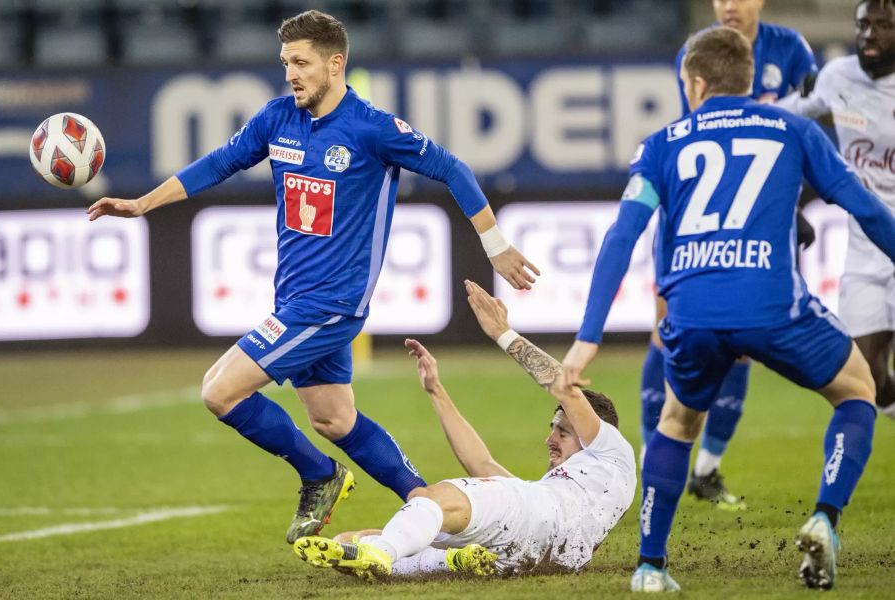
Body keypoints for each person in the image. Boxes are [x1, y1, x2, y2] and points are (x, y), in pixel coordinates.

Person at [86, 10, 539, 544]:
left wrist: (496, 245)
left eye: (301, 63)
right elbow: (219, 163)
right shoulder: (277, 119)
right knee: (333, 419)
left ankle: (320, 475)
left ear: (335, 63)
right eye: (285, 63)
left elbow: (453, 169)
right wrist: (143, 203)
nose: (291, 74)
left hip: (330, 305)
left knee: (219, 391)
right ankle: (429, 505)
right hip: (295, 300)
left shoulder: (372, 128)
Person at [561, 27, 895, 592]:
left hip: (690, 311)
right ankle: (825, 518)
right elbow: (862, 204)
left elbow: (624, 233)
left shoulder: (662, 143)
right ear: (749, 80)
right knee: (858, 390)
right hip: (772, 304)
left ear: (695, 83)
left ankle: (650, 567)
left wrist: (588, 335)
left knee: (677, 422)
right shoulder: (793, 128)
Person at [292, 280, 636, 578]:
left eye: (562, 431)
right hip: (538, 556)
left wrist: (503, 333)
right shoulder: (570, 489)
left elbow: (564, 386)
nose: (549, 439)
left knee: (431, 500)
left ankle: (384, 553)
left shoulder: (611, 449)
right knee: (352, 540)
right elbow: (483, 466)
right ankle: (444, 559)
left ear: (594, 427)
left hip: (537, 526)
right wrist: (436, 392)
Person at [638, 0, 821, 508]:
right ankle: (648, 455)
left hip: (760, 214)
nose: (728, 5)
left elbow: (811, 124)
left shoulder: (791, 50)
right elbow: (702, 132)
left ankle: (706, 470)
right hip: (701, 208)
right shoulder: (701, 51)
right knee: (666, 324)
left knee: (741, 342)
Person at [777, 0, 895, 419]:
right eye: (864, 24)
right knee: (869, 382)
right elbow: (783, 118)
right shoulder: (836, 76)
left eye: (883, 25)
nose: (870, 34)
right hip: (866, 251)